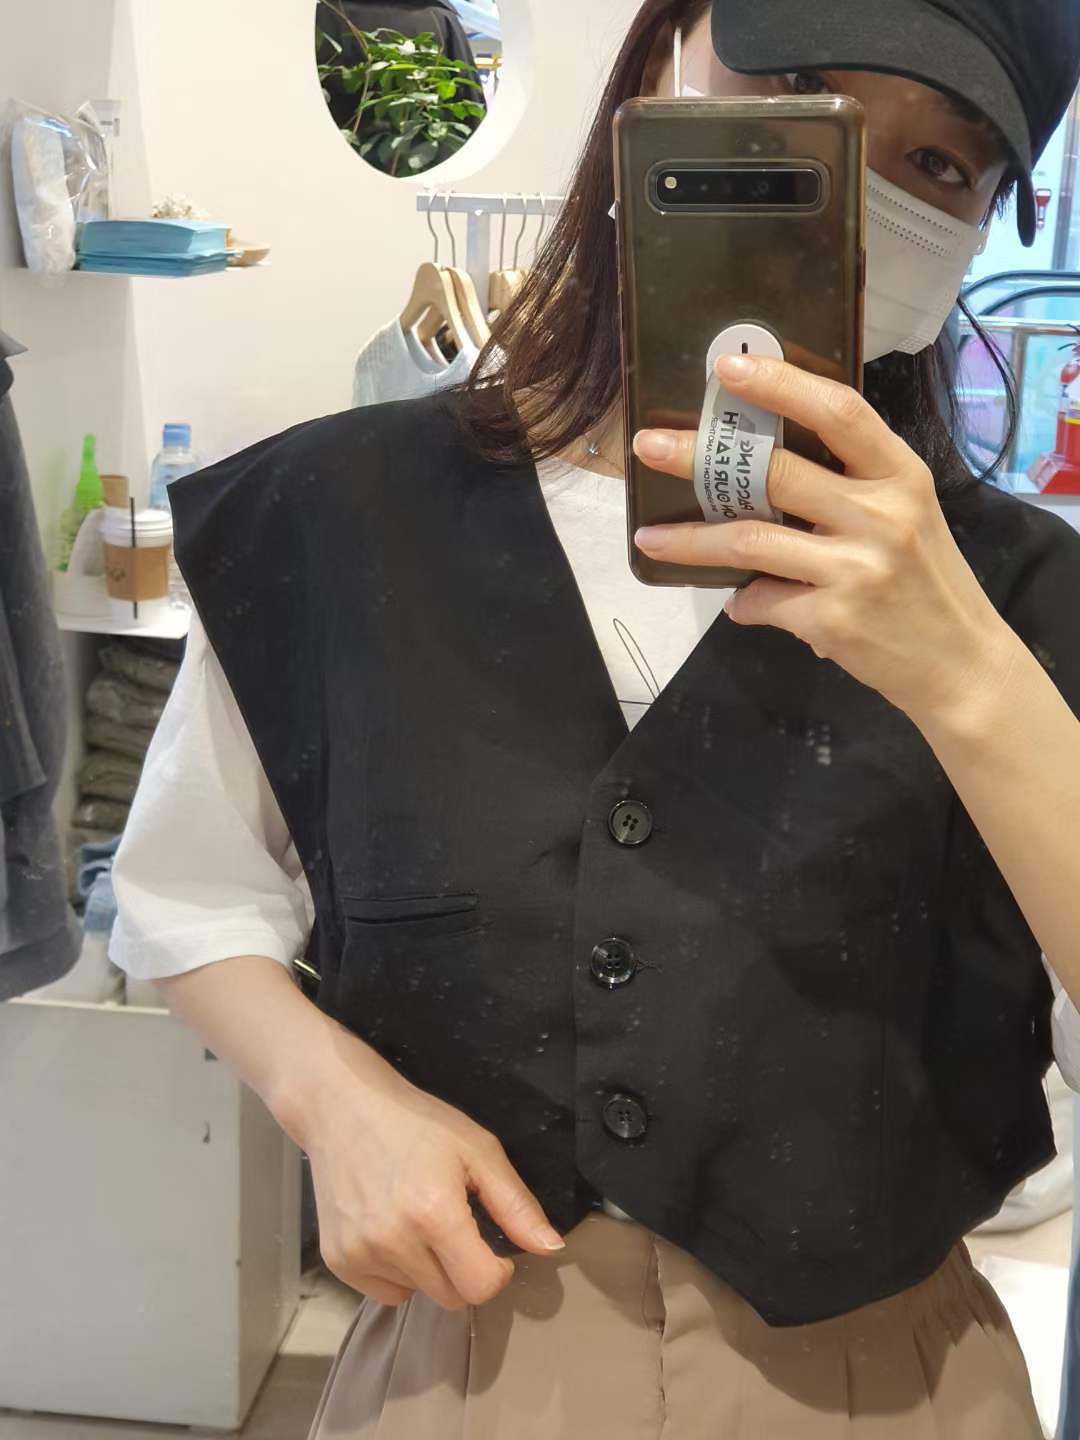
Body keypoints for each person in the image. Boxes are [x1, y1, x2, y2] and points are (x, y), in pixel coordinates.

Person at [110, 0, 1080, 1434]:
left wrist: (970, 676)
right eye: (795, 87)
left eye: (940, 164)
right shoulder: (333, 518)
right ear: (659, 64)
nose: (853, 183)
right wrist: (330, 1098)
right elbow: (191, 893)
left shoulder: (1028, 597)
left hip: (894, 1380)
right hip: (464, 1362)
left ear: (986, 224)